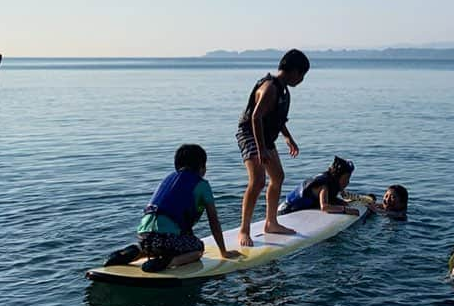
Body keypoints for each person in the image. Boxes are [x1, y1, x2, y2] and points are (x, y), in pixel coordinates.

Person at [103, 144, 241, 272]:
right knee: (198, 248)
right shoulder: (202, 185)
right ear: (202, 167)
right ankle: (168, 261)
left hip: (144, 236)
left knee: (154, 244)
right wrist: (223, 251)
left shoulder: (167, 179)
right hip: (167, 239)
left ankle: (134, 251)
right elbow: (213, 221)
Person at [236, 49, 310, 246]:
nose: (301, 80)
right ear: (293, 71)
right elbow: (256, 117)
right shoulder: (270, 88)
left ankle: (271, 222)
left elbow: (276, 118)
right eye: (302, 75)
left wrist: (288, 138)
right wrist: (260, 149)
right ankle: (244, 229)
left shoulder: (283, 90)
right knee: (258, 181)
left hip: (265, 137)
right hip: (251, 134)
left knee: (277, 177)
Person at [279, 156, 359, 215]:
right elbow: (324, 207)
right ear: (337, 176)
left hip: (294, 208)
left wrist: (345, 203)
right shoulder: (324, 186)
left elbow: (333, 199)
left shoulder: (331, 181)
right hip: (286, 211)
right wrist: (346, 210)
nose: (348, 182)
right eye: (346, 178)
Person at [342, 184, 409, 220]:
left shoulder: (401, 213)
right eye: (386, 196)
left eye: (393, 197)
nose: (387, 200)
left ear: (402, 204)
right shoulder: (385, 206)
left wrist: (376, 210)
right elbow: (373, 204)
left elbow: (394, 214)